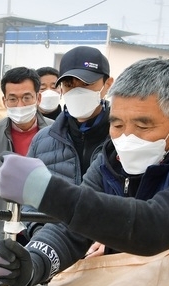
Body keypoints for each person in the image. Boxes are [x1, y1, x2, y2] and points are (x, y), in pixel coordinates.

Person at [0, 57, 169, 286]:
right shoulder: (111, 158)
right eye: (117, 125)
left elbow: (153, 226)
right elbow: (74, 226)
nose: (127, 138)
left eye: (143, 126)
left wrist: (47, 191)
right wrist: (34, 263)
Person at [26, 47, 114, 257]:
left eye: (86, 83)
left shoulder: (124, 139)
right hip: (53, 251)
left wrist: (112, 241)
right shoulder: (43, 140)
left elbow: (138, 203)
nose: (77, 90)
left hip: (106, 255)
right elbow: (29, 199)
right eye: (69, 84)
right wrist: (43, 235)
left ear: (107, 85)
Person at [0, 67, 54, 257]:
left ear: (38, 98)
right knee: (2, 282)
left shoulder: (56, 133)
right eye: (13, 98)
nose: (20, 104)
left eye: (27, 97)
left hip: (42, 228)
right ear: (4, 101)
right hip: (0, 228)